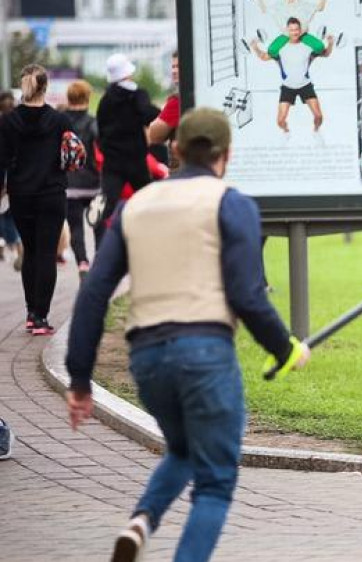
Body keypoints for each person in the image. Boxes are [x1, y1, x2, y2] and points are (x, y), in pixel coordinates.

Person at [64, 108, 310, 562]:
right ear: (226, 154)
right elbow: (248, 296)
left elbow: (95, 292)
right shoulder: (232, 203)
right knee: (215, 481)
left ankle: (142, 522)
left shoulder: (134, 206)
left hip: (147, 358)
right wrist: (285, 346)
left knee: (182, 447)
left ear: (174, 149)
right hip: (205, 353)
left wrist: (80, 379)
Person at [0, 65, 79, 336]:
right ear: (45, 87)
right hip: (52, 193)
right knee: (47, 253)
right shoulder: (60, 121)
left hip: (21, 194)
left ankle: (30, 312)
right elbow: (74, 156)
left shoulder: (7, 121)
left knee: (30, 250)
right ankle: (41, 317)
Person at [96, 53, 161, 244]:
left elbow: (100, 131)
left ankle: (101, 240)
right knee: (147, 198)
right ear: (128, 73)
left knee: (108, 201)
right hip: (135, 158)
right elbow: (148, 115)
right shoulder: (137, 94)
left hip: (112, 161)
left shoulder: (105, 100)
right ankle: (153, 237)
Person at [250, 17, 335, 136]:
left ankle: (316, 131)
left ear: (300, 31)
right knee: (280, 121)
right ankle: (286, 131)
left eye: (296, 30)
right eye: (291, 30)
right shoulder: (280, 48)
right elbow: (264, 57)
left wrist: (330, 43)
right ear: (287, 31)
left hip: (305, 85)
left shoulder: (308, 47)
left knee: (319, 116)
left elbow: (325, 54)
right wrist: (255, 47)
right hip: (287, 87)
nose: (294, 32)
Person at [62, 80, 101, 280]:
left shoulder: (60, 122)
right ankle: (100, 264)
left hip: (69, 185)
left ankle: (83, 264)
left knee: (75, 227)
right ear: (87, 98)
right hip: (93, 184)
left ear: (69, 99)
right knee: (98, 225)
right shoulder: (93, 122)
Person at [0, 90, 23, 271]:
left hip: (5, 173)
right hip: (18, 174)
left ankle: (11, 244)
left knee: (4, 213)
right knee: (12, 213)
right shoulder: (19, 121)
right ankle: (17, 245)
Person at [147, 51, 181, 168]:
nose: (174, 71)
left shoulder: (177, 101)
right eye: (173, 67)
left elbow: (154, 134)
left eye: (178, 67)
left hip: (182, 170)